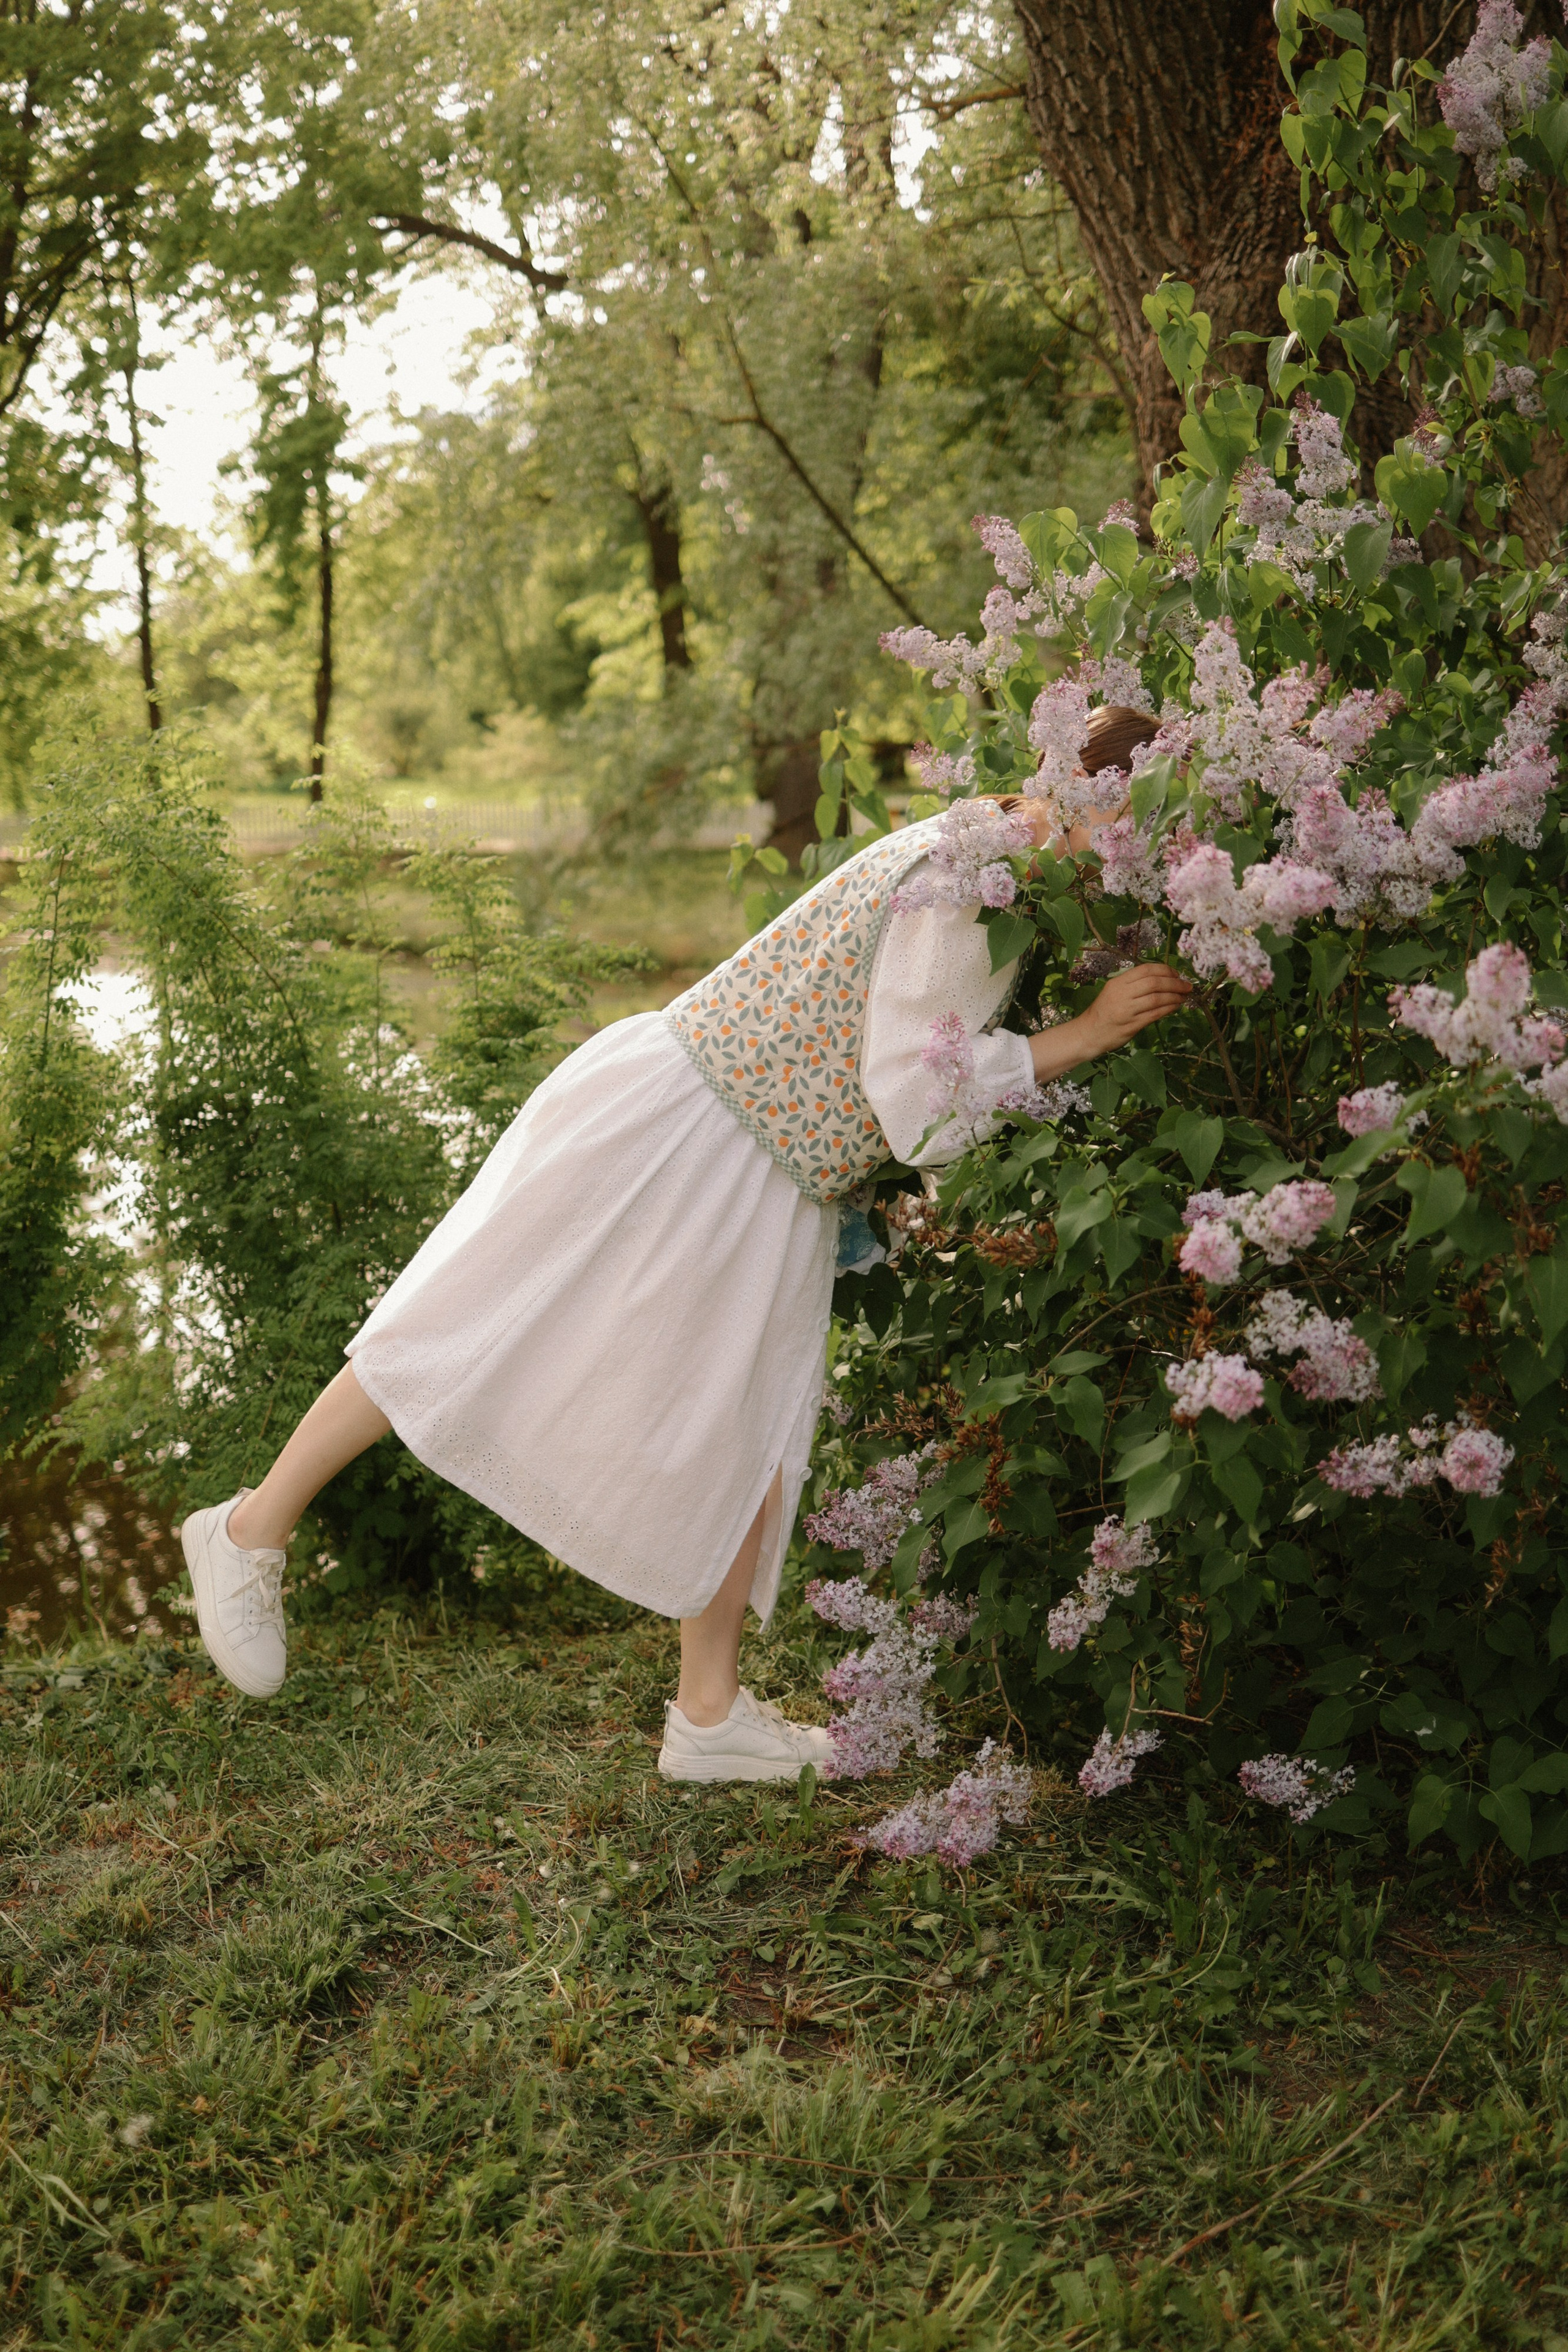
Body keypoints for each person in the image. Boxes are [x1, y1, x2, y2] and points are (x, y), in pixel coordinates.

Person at [180, 706, 1190, 1779]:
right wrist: (1085, 1036)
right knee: (472, 1322)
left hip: (764, 1162)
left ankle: (707, 1718)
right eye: (1152, 821)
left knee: (746, 1429)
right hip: (691, 1124)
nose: (1157, 851)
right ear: (1099, 798)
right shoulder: (970, 878)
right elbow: (913, 1096)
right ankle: (248, 1530)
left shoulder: (999, 866)